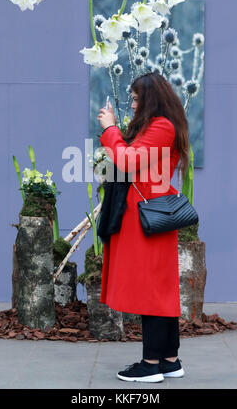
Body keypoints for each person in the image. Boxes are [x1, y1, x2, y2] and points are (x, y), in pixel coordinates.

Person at [96, 72, 189, 383]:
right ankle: (169, 360)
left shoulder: (162, 126)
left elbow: (127, 161)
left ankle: (150, 364)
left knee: (152, 290)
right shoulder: (160, 125)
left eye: (136, 99)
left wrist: (109, 129)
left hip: (147, 218)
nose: (133, 105)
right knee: (160, 289)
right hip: (151, 216)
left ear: (150, 99)